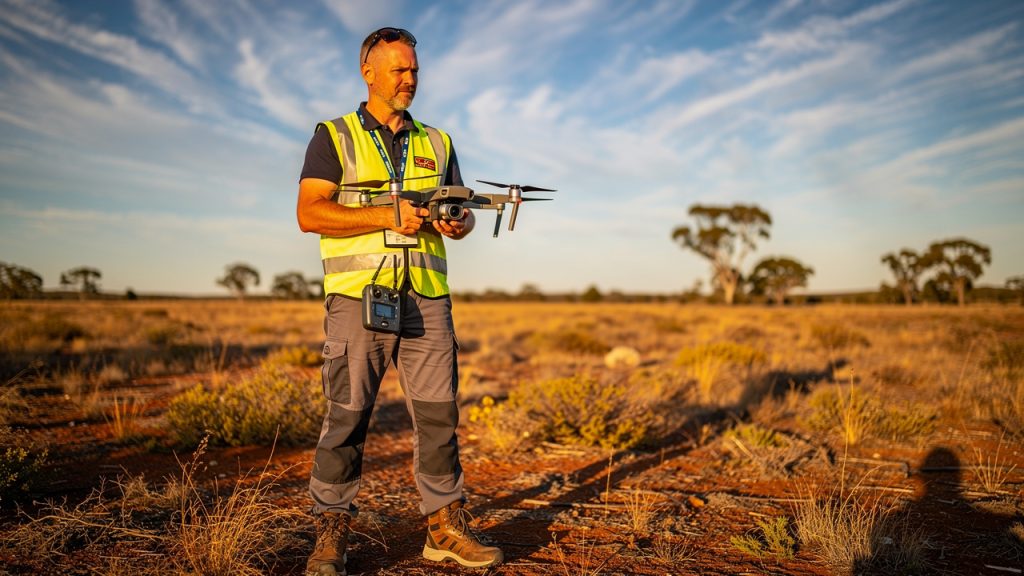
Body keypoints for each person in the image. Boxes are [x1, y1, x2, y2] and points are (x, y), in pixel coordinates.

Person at [295, 27, 502, 575]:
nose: (410, 79)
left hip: (427, 298)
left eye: (414, 70)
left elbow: (461, 212)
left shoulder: (438, 141)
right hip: (358, 297)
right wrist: (384, 214)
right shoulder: (334, 136)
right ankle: (331, 534)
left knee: (439, 417)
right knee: (347, 417)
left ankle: (445, 528)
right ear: (369, 73)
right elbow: (310, 213)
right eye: (399, 70)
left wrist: (458, 224)